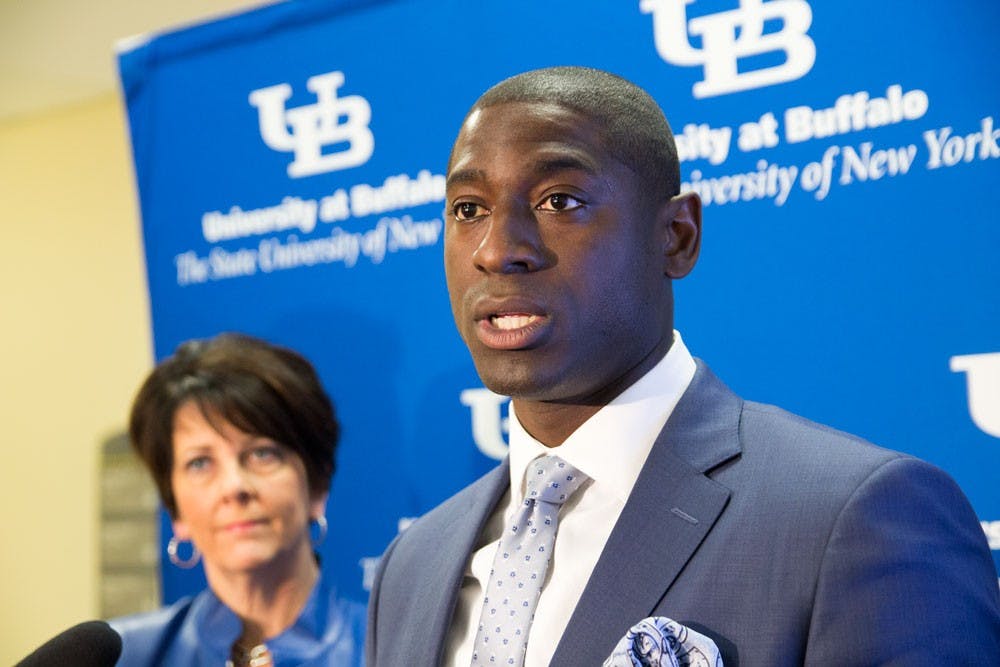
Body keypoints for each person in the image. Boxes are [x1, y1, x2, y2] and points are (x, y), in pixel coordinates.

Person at [365, 66, 1000, 666]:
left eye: (559, 201)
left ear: (676, 235)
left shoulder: (855, 517)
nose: (499, 250)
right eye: (468, 210)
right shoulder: (412, 565)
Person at [110, 333, 364, 666]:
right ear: (176, 512)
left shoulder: (393, 647)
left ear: (317, 487)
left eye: (262, 454)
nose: (234, 487)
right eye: (200, 463)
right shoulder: (125, 656)